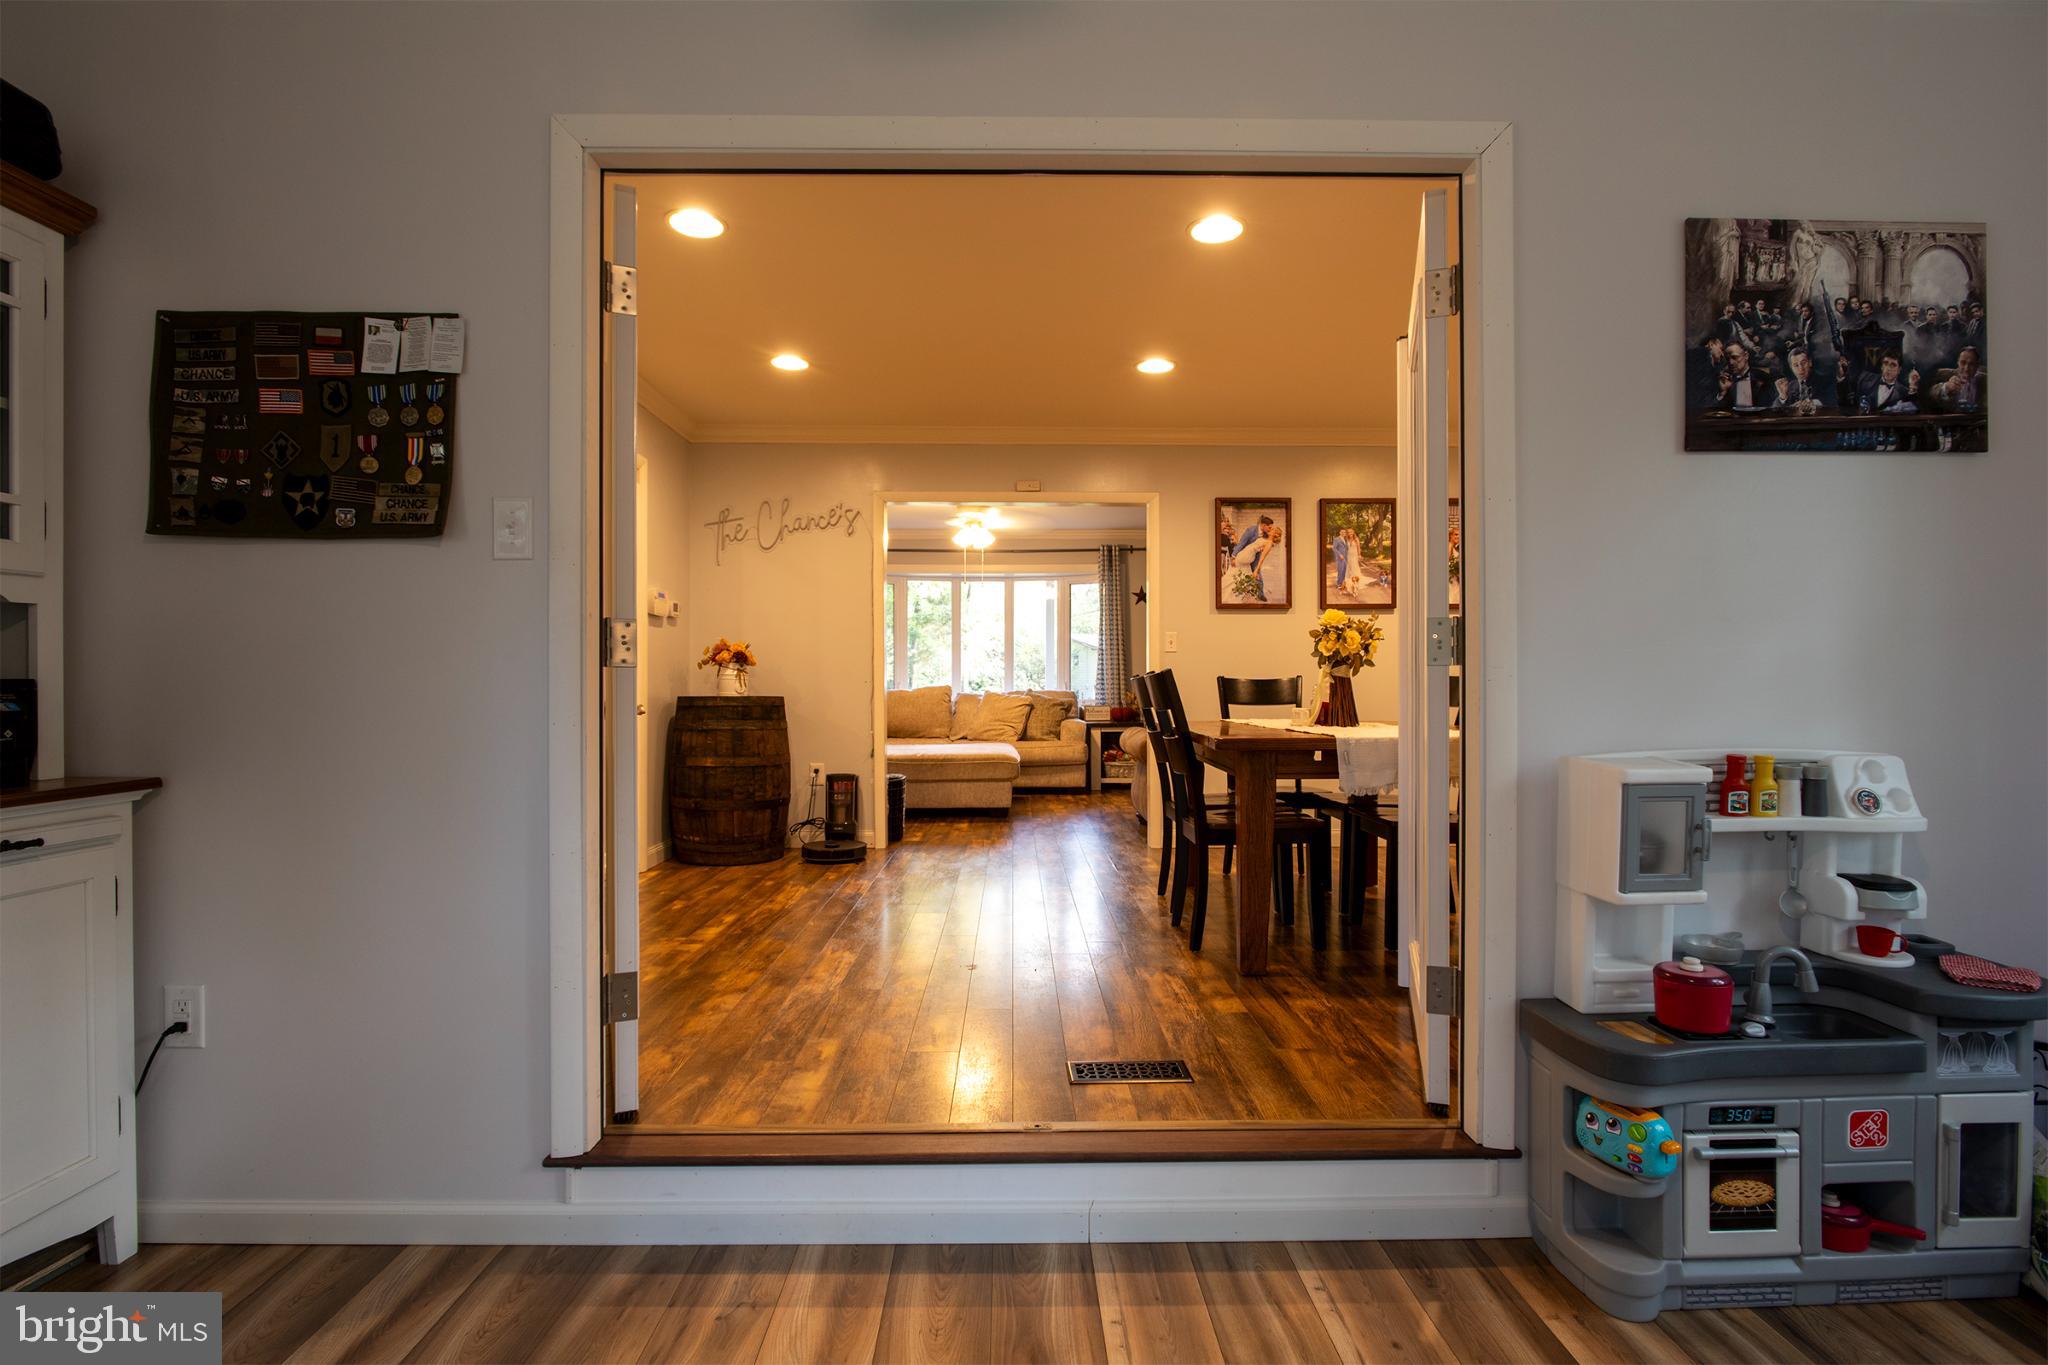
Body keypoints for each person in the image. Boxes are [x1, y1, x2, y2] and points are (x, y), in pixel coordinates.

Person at [1715, 342, 1770, 410]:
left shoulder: (1764, 377)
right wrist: (1722, 393)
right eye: (1727, 358)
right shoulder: (1723, 381)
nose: (1731, 362)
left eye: (1734, 357)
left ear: (1746, 356)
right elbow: (1716, 412)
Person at [1932, 346, 1984, 411]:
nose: (1966, 368)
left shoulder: (1985, 380)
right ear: (1958, 362)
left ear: (1977, 366)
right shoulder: (1942, 374)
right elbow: (1931, 393)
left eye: (1971, 364)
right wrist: (1946, 387)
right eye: (1963, 363)